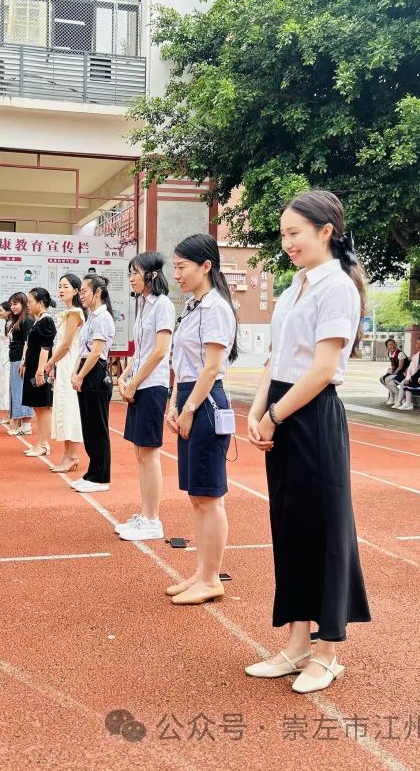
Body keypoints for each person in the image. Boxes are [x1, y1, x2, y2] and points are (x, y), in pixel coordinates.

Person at [245, 190, 371, 693]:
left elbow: (322, 369)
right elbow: (278, 359)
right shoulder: (294, 286)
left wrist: (274, 414)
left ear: (326, 231)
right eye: (282, 234)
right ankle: (296, 645)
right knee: (291, 527)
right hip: (282, 407)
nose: (287, 242)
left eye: (294, 232)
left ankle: (327, 652)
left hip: (312, 415)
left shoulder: (337, 287)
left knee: (324, 530)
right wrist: (256, 411)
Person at [164, 235, 237, 604]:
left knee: (209, 498)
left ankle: (211, 579)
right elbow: (184, 365)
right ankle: (200, 573)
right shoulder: (193, 307)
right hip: (191, 398)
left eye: (181, 266)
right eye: (174, 266)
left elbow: (210, 368)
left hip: (206, 403)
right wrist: (174, 404)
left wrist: (189, 408)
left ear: (205, 266)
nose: (175, 274)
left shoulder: (216, 309)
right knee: (197, 496)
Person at [117, 252, 174, 542]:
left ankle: (153, 520)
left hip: (152, 386)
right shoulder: (143, 305)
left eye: (134, 273)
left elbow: (160, 351)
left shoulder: (163, 305)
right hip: (140, 384)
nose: (131, 278)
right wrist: (125, 375)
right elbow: (141, 352)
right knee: (140, 453)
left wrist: (134, 382)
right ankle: (145, 513)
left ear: (151, 275)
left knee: (149, 454)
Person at [71, 274, 115, 493]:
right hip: (86, 372)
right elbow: (83, 350)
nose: (81, 295)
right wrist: (74, 372)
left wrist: (80, 375)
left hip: (96, 374)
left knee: (98, 428)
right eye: (80, 292)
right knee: (88, 427)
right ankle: (92, 473)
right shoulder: (90, 317)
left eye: (84, 291)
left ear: (97, 292)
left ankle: (101, 477)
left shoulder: (103, 317)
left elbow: (97, 351)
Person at [45, 275, 84, 473]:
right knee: (63, 408)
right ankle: (67, 455)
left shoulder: (75, 313)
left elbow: (66, 344)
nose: (61, 289)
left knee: (70, 408)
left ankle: (73, 455)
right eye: (59, 286)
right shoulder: (67, 313)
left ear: (76, 290)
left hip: (70, 365)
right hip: (64, 365)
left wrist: (50, 362)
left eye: (66, 286)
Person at [19, 288, 57, 458]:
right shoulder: (37, 320)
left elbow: (45, 347)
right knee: (37, 406)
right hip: (33, 367)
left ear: (41, 303)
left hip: (40, 369)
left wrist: (41, 371)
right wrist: (26, 363)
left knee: (43, 406)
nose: (28, 305)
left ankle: (43, 443)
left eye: (30, 302)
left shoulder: (46, 320)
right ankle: (40, 442)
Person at [5, 293, 34, 436]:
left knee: (21, 392)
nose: (12, 307)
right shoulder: (16, 321)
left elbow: (27, 343)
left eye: (15, 304)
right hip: (15, 360)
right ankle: (23, 424)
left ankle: (24, 425)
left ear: (23, 304)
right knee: (17, 392)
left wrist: (24, 362)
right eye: (11, 304)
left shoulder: (27, 320)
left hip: (20, 361)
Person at [0, 303, 12, 419]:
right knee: (5, 385)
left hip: (9, 357)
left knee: (9, 385)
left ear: (8, 311)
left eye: (1, 310)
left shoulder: (12, 324)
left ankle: (12, 414)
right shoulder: (7, 323)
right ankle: (10, 413)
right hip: (4, 357)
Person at [379, 338, 407, 405]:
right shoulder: (389, 353)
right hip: (396, 372)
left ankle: (397, 397)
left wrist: (393, 373)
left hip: (403, 373)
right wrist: (390, 371)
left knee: (388, 381)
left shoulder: (400, 353)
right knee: (382, 379)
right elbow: (393, 364)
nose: (392, 346)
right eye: (389, 345)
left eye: (393, 344)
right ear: (387, 347)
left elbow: (400, 367)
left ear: (395, 344)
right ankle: (392, 397)